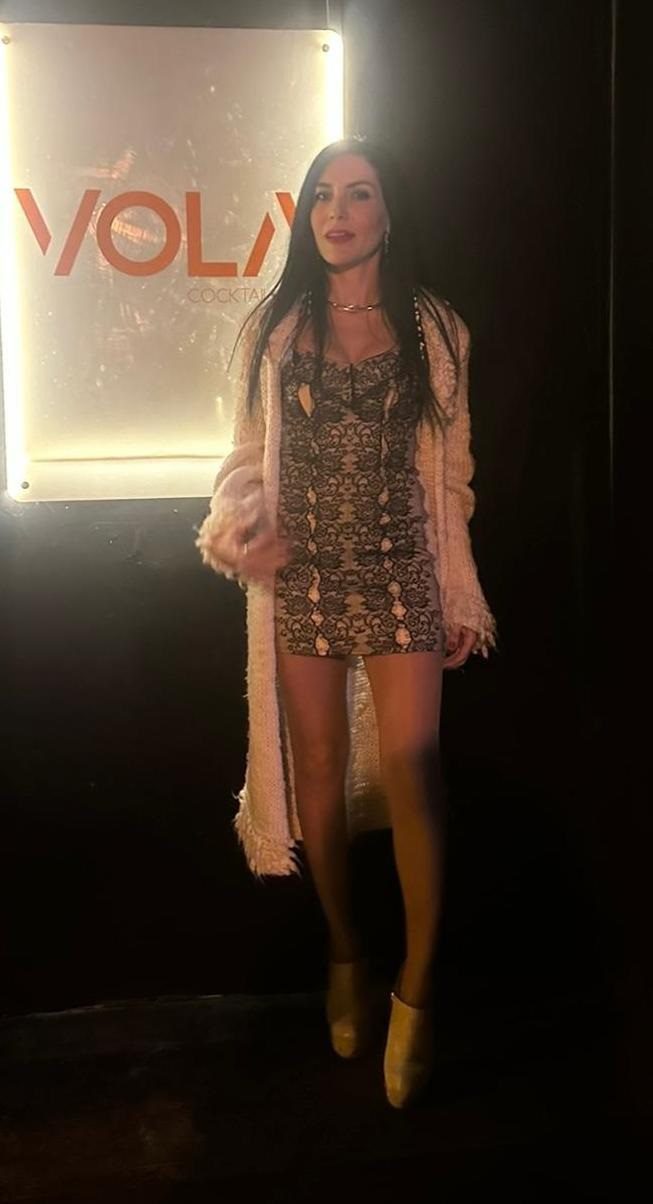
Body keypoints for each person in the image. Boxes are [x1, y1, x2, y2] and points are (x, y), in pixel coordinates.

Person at [196, 137, 497, 1108]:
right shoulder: (272, 328)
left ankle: (416, 991)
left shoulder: (434, 329)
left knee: (415, 771)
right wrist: (242, 523)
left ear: (387, 212)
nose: (337, 211)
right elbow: (243, 457)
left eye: (358, 193)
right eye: (322, 195)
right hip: (307, 578)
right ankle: (342, 951)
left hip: (401, 569)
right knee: (317, 776)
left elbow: (449, 475)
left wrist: (459, 592)